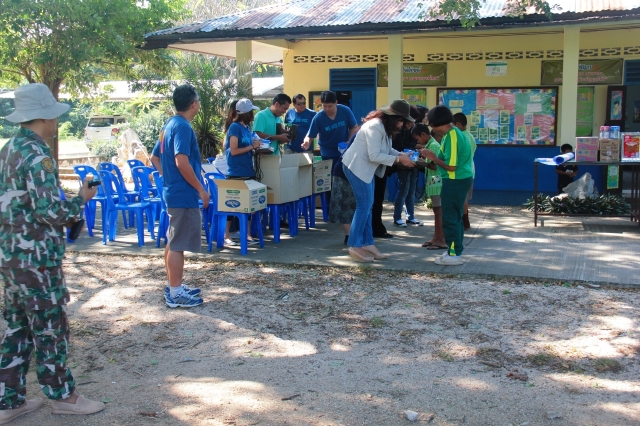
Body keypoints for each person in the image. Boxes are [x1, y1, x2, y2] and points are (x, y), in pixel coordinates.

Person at [0, 83, 105, 423]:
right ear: (44, 117)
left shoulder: (9, 150)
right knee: (49, 327)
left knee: (17, 328)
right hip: (38, 260)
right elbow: (49, 211)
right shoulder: (39, 155)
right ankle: (63, 396)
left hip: (11, 256)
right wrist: (81, 200)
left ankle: (9, 400)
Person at [342, 100, 415, 262]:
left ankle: (367, 243)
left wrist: (401, 155)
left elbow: (387, 149)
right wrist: (399, 160)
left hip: (366, 169)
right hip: (356, 167)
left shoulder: (384, 127)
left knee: (368, 206)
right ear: (393, 117)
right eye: (401, 120)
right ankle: (354, 245)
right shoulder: (375, 127)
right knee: (364, 206)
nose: (402, 124)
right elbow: (374, 155)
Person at [159, 84, 209, 308]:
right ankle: (176, 292)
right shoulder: (183, 127)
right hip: (182, 193)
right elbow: (181, 161)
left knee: (173, 239)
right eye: (198, 100)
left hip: (173, 190)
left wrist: (168, 178)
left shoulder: (169, 124)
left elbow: (155, 157)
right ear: (193, 104)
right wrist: (200, 188)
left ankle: (173, 285)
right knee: (178, 243)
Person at [420, 105, 473, 266]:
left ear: (437, 122)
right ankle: (453, 250)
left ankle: (455, 253)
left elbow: (451, 166)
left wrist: (432, 157)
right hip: (457, 179)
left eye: (431, 124)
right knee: (454, 216)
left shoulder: (452, 136)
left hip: (455, 180)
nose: (431, 128)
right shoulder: (452, 134)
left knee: (450, 217)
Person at [302, 91, 359, 207]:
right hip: (327, 153)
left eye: (330, 106)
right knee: (329, 182)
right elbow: (310, 135)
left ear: (336, 103)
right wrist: (306, 142)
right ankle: (330, 207)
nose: (327, 109)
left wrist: (348, 142)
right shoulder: (318, 117)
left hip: (344, 152)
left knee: (345, 179)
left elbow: (354, 127)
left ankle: (346, 206)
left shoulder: (345, 111)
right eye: (324, 106)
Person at [223, 98, 262, 245]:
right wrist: (252, 147)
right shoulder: (235, 127)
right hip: (236, 172)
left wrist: (256, 148)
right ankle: (226, 235)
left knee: (250, 205)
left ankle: (247, 234)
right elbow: (233, 150)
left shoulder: (247, 128)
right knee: (232, 204)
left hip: (248, 170)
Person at [412, 125, 446, 250]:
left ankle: (441, 240)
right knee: (436, 211)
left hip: (436, 180)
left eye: (418, 139)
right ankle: (436, 237)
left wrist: (420, 163)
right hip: (433, 181)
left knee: (439, 211)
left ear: (423, 134)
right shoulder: (430, 145)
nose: (418, 142)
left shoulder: (433, 146)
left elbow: (435, 166)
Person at [392, 106, 425, 228]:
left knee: (411, 190)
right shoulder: (399, 130)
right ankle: (397, 217)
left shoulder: (413, 129)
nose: (413, 123)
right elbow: (400, 145)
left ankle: (410, 216)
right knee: (403, 190)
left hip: (414, 162)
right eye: (411, 120)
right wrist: (417, 146)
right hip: (403, 164)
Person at [453, 112, 477, 230]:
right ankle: (465, 221)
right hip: (470, 171)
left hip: (461, 172)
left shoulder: (460, 137)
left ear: (458, 124)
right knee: (465, 199)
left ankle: (463, 222)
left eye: (453, 125)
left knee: (461, 199)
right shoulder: (470, 136)